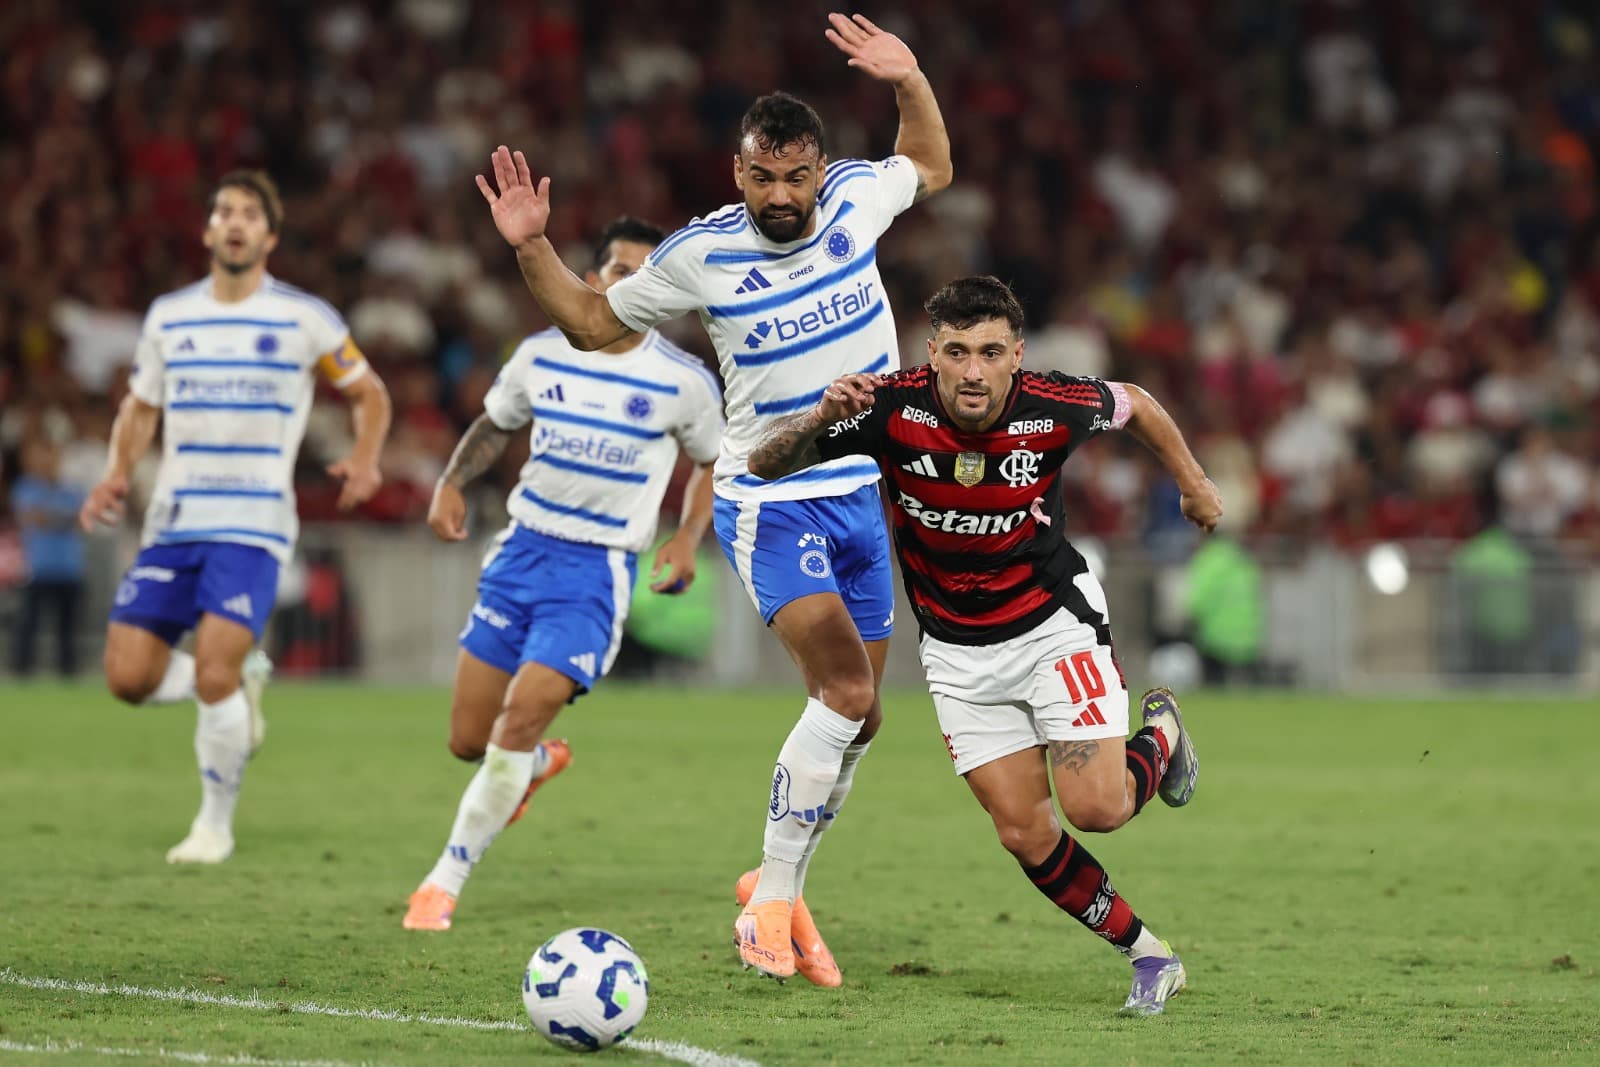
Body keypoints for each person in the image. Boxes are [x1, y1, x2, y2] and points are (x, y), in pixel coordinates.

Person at [472, 12, 951, 985]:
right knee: (845, 693)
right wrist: (532, 248)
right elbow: (592, 321)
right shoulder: (700, 254)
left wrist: (909, 81)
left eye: (796, 176)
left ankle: (776, 883)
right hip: (772, 495)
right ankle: (770, 901)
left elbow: (930, 163)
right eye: (762, 177)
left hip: (861, 493)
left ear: (820, 170)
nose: (780, 195)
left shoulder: (857, 199)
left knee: (861, 719)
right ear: (738, 172)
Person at [745, 276, 1222, 1015]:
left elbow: (1138, 402)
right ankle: (1150, 954)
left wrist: (1193, 482)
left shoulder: (1055, 404)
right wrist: (818, 418)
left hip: (1052, 628)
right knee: (1024, 832)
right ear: (931, 352)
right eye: (958, 352)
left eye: (991, 353)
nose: (974, 371)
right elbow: (763, 464)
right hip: (957, 655)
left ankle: (1160, 735)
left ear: (1016, 356)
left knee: (1097, 808)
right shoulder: (885, 407)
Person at [402, 217, 724, 931]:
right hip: (520, 554)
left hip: (594, 573)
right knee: (469, 741)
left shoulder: (683, 381)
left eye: (648, 273)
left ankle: (442, 882)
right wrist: (451, 481)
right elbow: (496, 422)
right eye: (619, 268)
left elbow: (712, 461)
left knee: (517, 718)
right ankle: (533, 763)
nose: (630, 282)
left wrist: (686, 537)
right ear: (593, 275)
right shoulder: (541, 354)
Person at [79, 170, 391, 864]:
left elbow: (369, 392)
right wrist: (115, 473)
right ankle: (237, 687)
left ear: (270, 237)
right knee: (127, 678)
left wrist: (366, 459)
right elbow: (140, 408)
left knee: (214, 671)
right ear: (208, 230)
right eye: (224, 210)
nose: (236, 221)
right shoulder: (170, 316)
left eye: (250, 213)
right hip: (175, 520)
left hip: (253, 524)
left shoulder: (304, 317)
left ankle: (213, 826)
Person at [10, 435, 87, 676]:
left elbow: (81, 520)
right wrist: (64, 517)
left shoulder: (72, 488)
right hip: (38, 567)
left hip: (70, 567)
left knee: (68, 628)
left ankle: (68, 672)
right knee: (29, 624)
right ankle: (21, 671)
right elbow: (32, 518)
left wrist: (52, 517)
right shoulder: (26, 487)